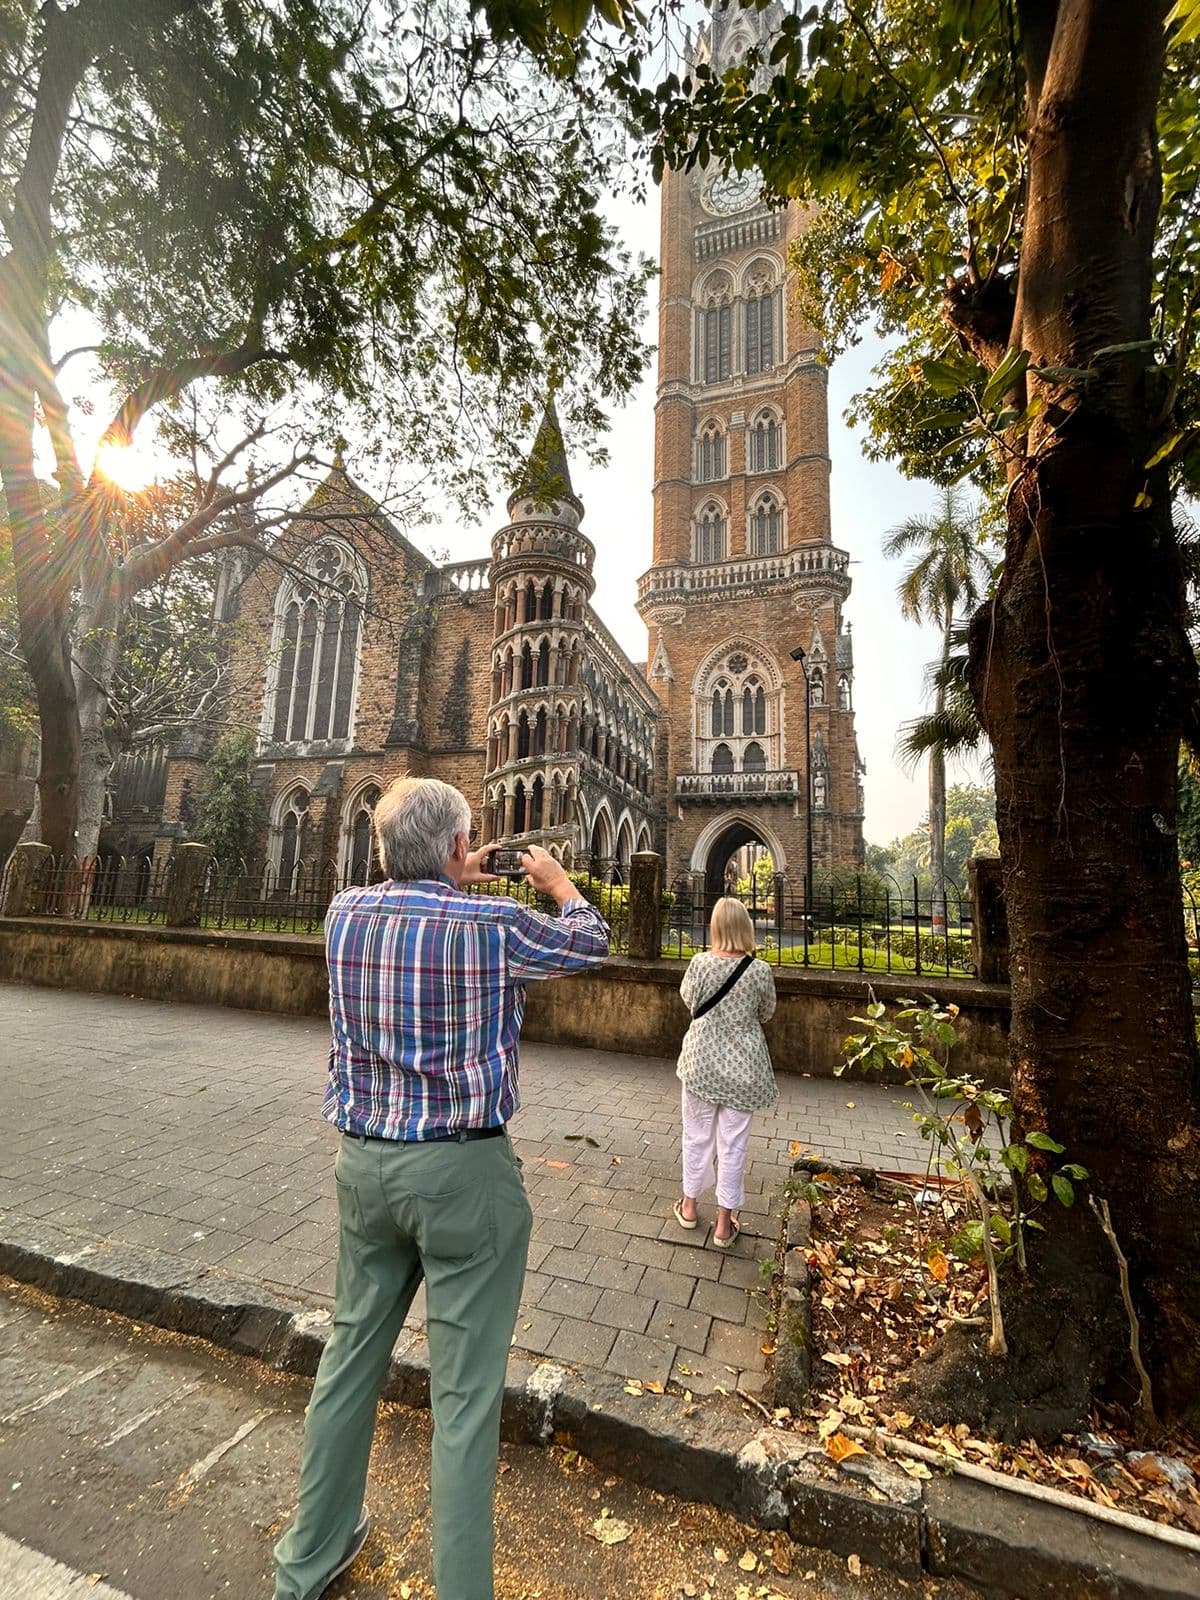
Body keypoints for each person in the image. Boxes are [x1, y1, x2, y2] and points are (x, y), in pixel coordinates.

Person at [273, 777, 609, 1600]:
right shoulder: (495, 927)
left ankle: (307, 1559)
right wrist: (557, 883)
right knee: (462, 1399)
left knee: (349, 1357)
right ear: (460, 850)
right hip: (462, 1176)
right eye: (465, 845)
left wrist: (451, 874)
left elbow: (414, 901)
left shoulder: (342, 913)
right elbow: (590, 939)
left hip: (365, 1168)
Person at [672, 896, 777, 1248]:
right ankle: (723, 1223)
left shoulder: (700, 964)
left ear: (715, 927)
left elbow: (689, 1000)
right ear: (745, 927)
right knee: (733, 1145)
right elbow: (766, 1013)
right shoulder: (759, 970)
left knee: (696, 1136)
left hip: (701, 1063)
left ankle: (688, 1208)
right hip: (743, 1069)